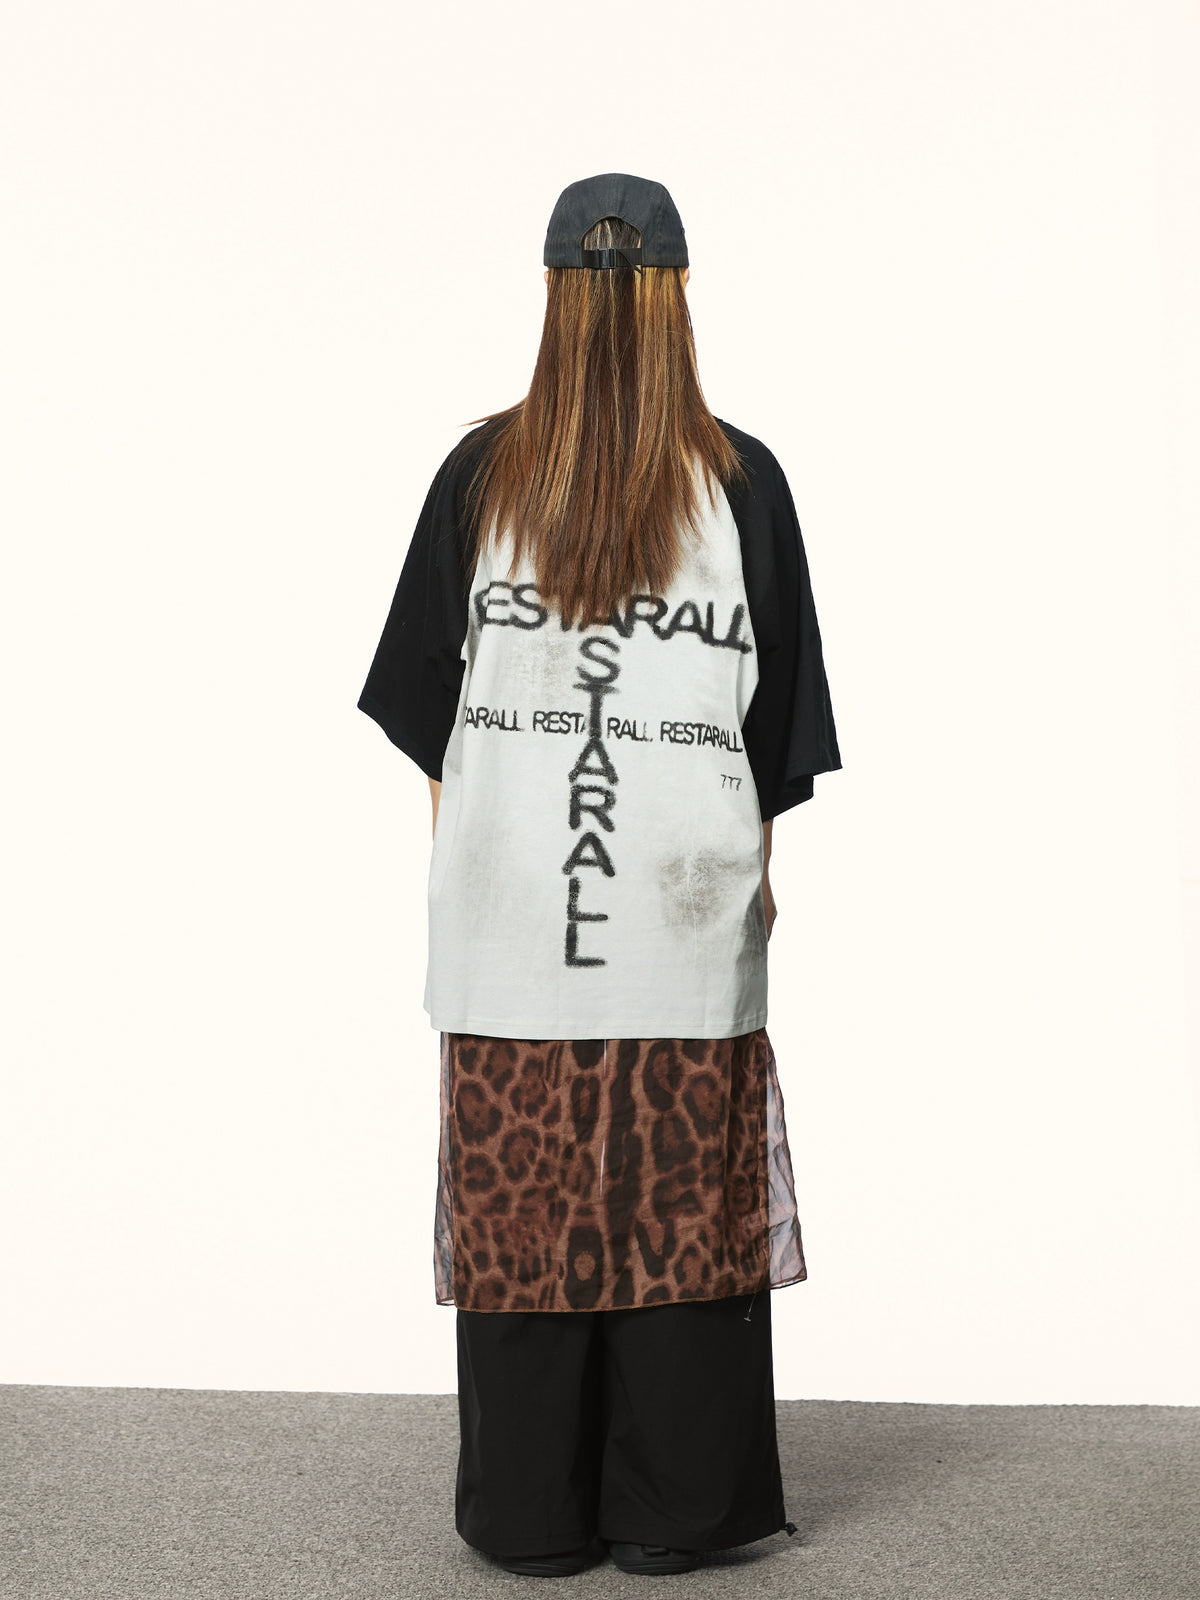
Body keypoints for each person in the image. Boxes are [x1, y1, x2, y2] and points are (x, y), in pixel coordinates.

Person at [357, 172, 842, 1578]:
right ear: (677, 296)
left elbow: (427, 719)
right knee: (680, 1217)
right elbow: (775, 728)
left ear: (552, 294)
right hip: (684, 916)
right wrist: (755, 877)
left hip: (509, 913)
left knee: (525, 1217)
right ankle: (676, 1512)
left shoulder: (480, 476)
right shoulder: (741, 483)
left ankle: (532, 1515)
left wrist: (473, 854)